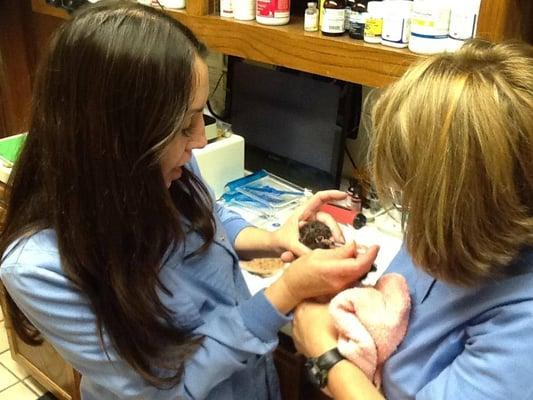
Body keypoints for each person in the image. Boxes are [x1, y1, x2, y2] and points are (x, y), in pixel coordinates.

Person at [0, 1, 379, 399]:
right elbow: (166, 390)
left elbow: (208, 216)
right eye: (184, 126)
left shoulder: (166, 168)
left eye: (201, 117)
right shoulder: (37, 268)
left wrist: (274, 238)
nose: (199, 140)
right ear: (114, 140)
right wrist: (286, 292)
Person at [292, 39, 533, 400]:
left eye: (414, 185)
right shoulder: (447, 227)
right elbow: (396, 315)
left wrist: (323, 354)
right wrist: (343, 281)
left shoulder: (522, 327)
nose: (408, 202)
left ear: (464, 199)